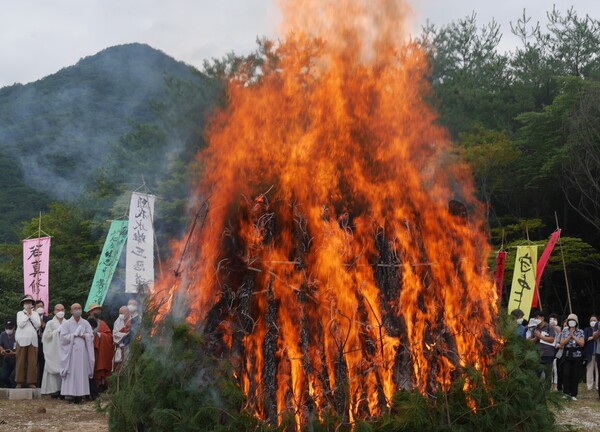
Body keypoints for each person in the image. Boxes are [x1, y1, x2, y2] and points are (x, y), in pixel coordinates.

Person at [59, 303, 95, 404]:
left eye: (79, 308)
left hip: (82, 352)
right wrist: (73, 335)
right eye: (75, 308)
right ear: (71, 311)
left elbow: (91, 336)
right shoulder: (66, 323)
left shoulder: (85, 323)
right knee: (71, 372)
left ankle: (81, 395)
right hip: (71, 353)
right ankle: (70, 394)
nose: (77, 310)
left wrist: (84, 336)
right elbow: (63, 338)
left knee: (81, 372)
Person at [86, 303, 114, 391]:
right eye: (95, 310)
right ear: (90, 312)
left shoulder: (102, 323)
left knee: (99, 366)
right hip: (88, 349)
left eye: (98, 310)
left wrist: (99, 335)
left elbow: (109, 336)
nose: (98, 311)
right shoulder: (85, 323)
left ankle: (99, 385)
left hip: (99, 350)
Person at [15, 294, 41, 388]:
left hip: (33, 340)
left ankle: (31, 382)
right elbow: (20, 324)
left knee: (32, 362)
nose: (28, 304)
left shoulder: (36, 314)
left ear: (32, 304)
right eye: (26, 302)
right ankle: (19, 381)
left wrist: (31, 315)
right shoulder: (19, 313)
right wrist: (27, 316)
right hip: (21, 339)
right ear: (23, 304)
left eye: (29, 302)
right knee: (20, 361)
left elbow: (38, 325)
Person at [558, 313, 585, 400]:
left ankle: (573, 394)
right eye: (569, 320)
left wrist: (574, 336)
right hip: (567, 353)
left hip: (577, 354)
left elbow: (582, 344)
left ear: (576, 322)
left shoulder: (580, 331)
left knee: (575, 374)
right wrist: (570, 335)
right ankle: (566, 393)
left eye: (573, 320)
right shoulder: (565, 331)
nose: (571, 322)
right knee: (565, 373)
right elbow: (562, 343)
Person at [41, 304, 65, 397]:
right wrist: (56, 332)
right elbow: (45, 337)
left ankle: (63, 390)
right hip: (53, 350)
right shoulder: (50, 323)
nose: (60, 311)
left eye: (62, 309)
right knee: (53, 370)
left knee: (64, 369)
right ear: (54, 311)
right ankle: (54, 391)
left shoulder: (67, 322)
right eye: (58, 310)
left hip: (64, 350)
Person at [527, 310, 556, 386]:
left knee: (548, 375)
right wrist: (536, 338)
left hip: (548, 354)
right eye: (535, 318)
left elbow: (552, 339)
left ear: (542, 318)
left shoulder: (549, 327)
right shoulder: (535, 328)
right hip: (537, 354)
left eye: (537, 318)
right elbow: (531, 341)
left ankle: (547, 394)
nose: (536, 319)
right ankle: (537, 393)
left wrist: (541, 336)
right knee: (536, 374)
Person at [35, 299, 50, 387]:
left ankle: (42, 385)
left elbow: (48, 329)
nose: (40, 308)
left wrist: (41, 321)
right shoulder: (31, 319)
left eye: (41, 306)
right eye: (38, 307)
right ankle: (32, 383)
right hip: (34, 344)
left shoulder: (48, 319)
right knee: (33, 364)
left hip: (44, 346)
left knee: (43, 365)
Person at [112, 306, 131, 371]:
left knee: (128, 365)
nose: (120, 315)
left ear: (128, 313)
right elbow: (114, 334)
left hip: (129, 347)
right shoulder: (117, 321)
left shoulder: (132, 321)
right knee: (119, 368)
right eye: (119, 313)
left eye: (122, 313)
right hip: (119, 347)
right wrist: (124, 334)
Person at [0, 320, 17, 388]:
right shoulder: (3, 334)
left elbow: (22, 351)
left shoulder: (18, 335)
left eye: (10, 328)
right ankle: (10, 387)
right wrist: (2, 350)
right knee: (4, 377)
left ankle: (14, 388)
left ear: (14, 327)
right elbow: (0, 345)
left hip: (17, 359)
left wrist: (13, 353)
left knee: (14, 376)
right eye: (7, 328)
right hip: (7, 359)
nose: (8, 330)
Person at [583, 314, 598, 391]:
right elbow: (584, 339)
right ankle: (589, 386)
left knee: (598, 370)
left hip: (598, 353)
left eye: (594, 320)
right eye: (591, 320)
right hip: (590, 353)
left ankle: (598, 386)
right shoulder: (587, 330)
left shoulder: (598, 329)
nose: (593, 322)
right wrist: (594, 337)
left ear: (597, 321)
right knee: (589, 370)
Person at [549, 313, 562, 391]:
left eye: (555, 319)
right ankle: (550, 385)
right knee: (550, 369)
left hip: (557, 350)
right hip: (549, 349)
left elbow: (560, 332)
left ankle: (556, 385)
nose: (553, 321)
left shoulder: (559, 328)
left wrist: (554, 326)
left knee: (556, 369)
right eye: (551, 319)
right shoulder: (547, 328)